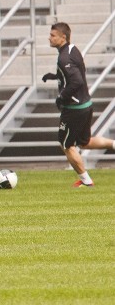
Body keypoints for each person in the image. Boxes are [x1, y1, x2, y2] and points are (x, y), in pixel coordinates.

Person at [42, 22, 114, 187]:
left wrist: (61, 97)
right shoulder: (72, 49)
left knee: (66, 144)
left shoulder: (64, 57)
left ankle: (86, 182)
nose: (49, 37)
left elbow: (76, 81)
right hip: (86, 105)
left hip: (74, 109)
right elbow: (76, 72)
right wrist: (55, 76)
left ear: (63, 37)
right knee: (85, 142)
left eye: (53, 35)